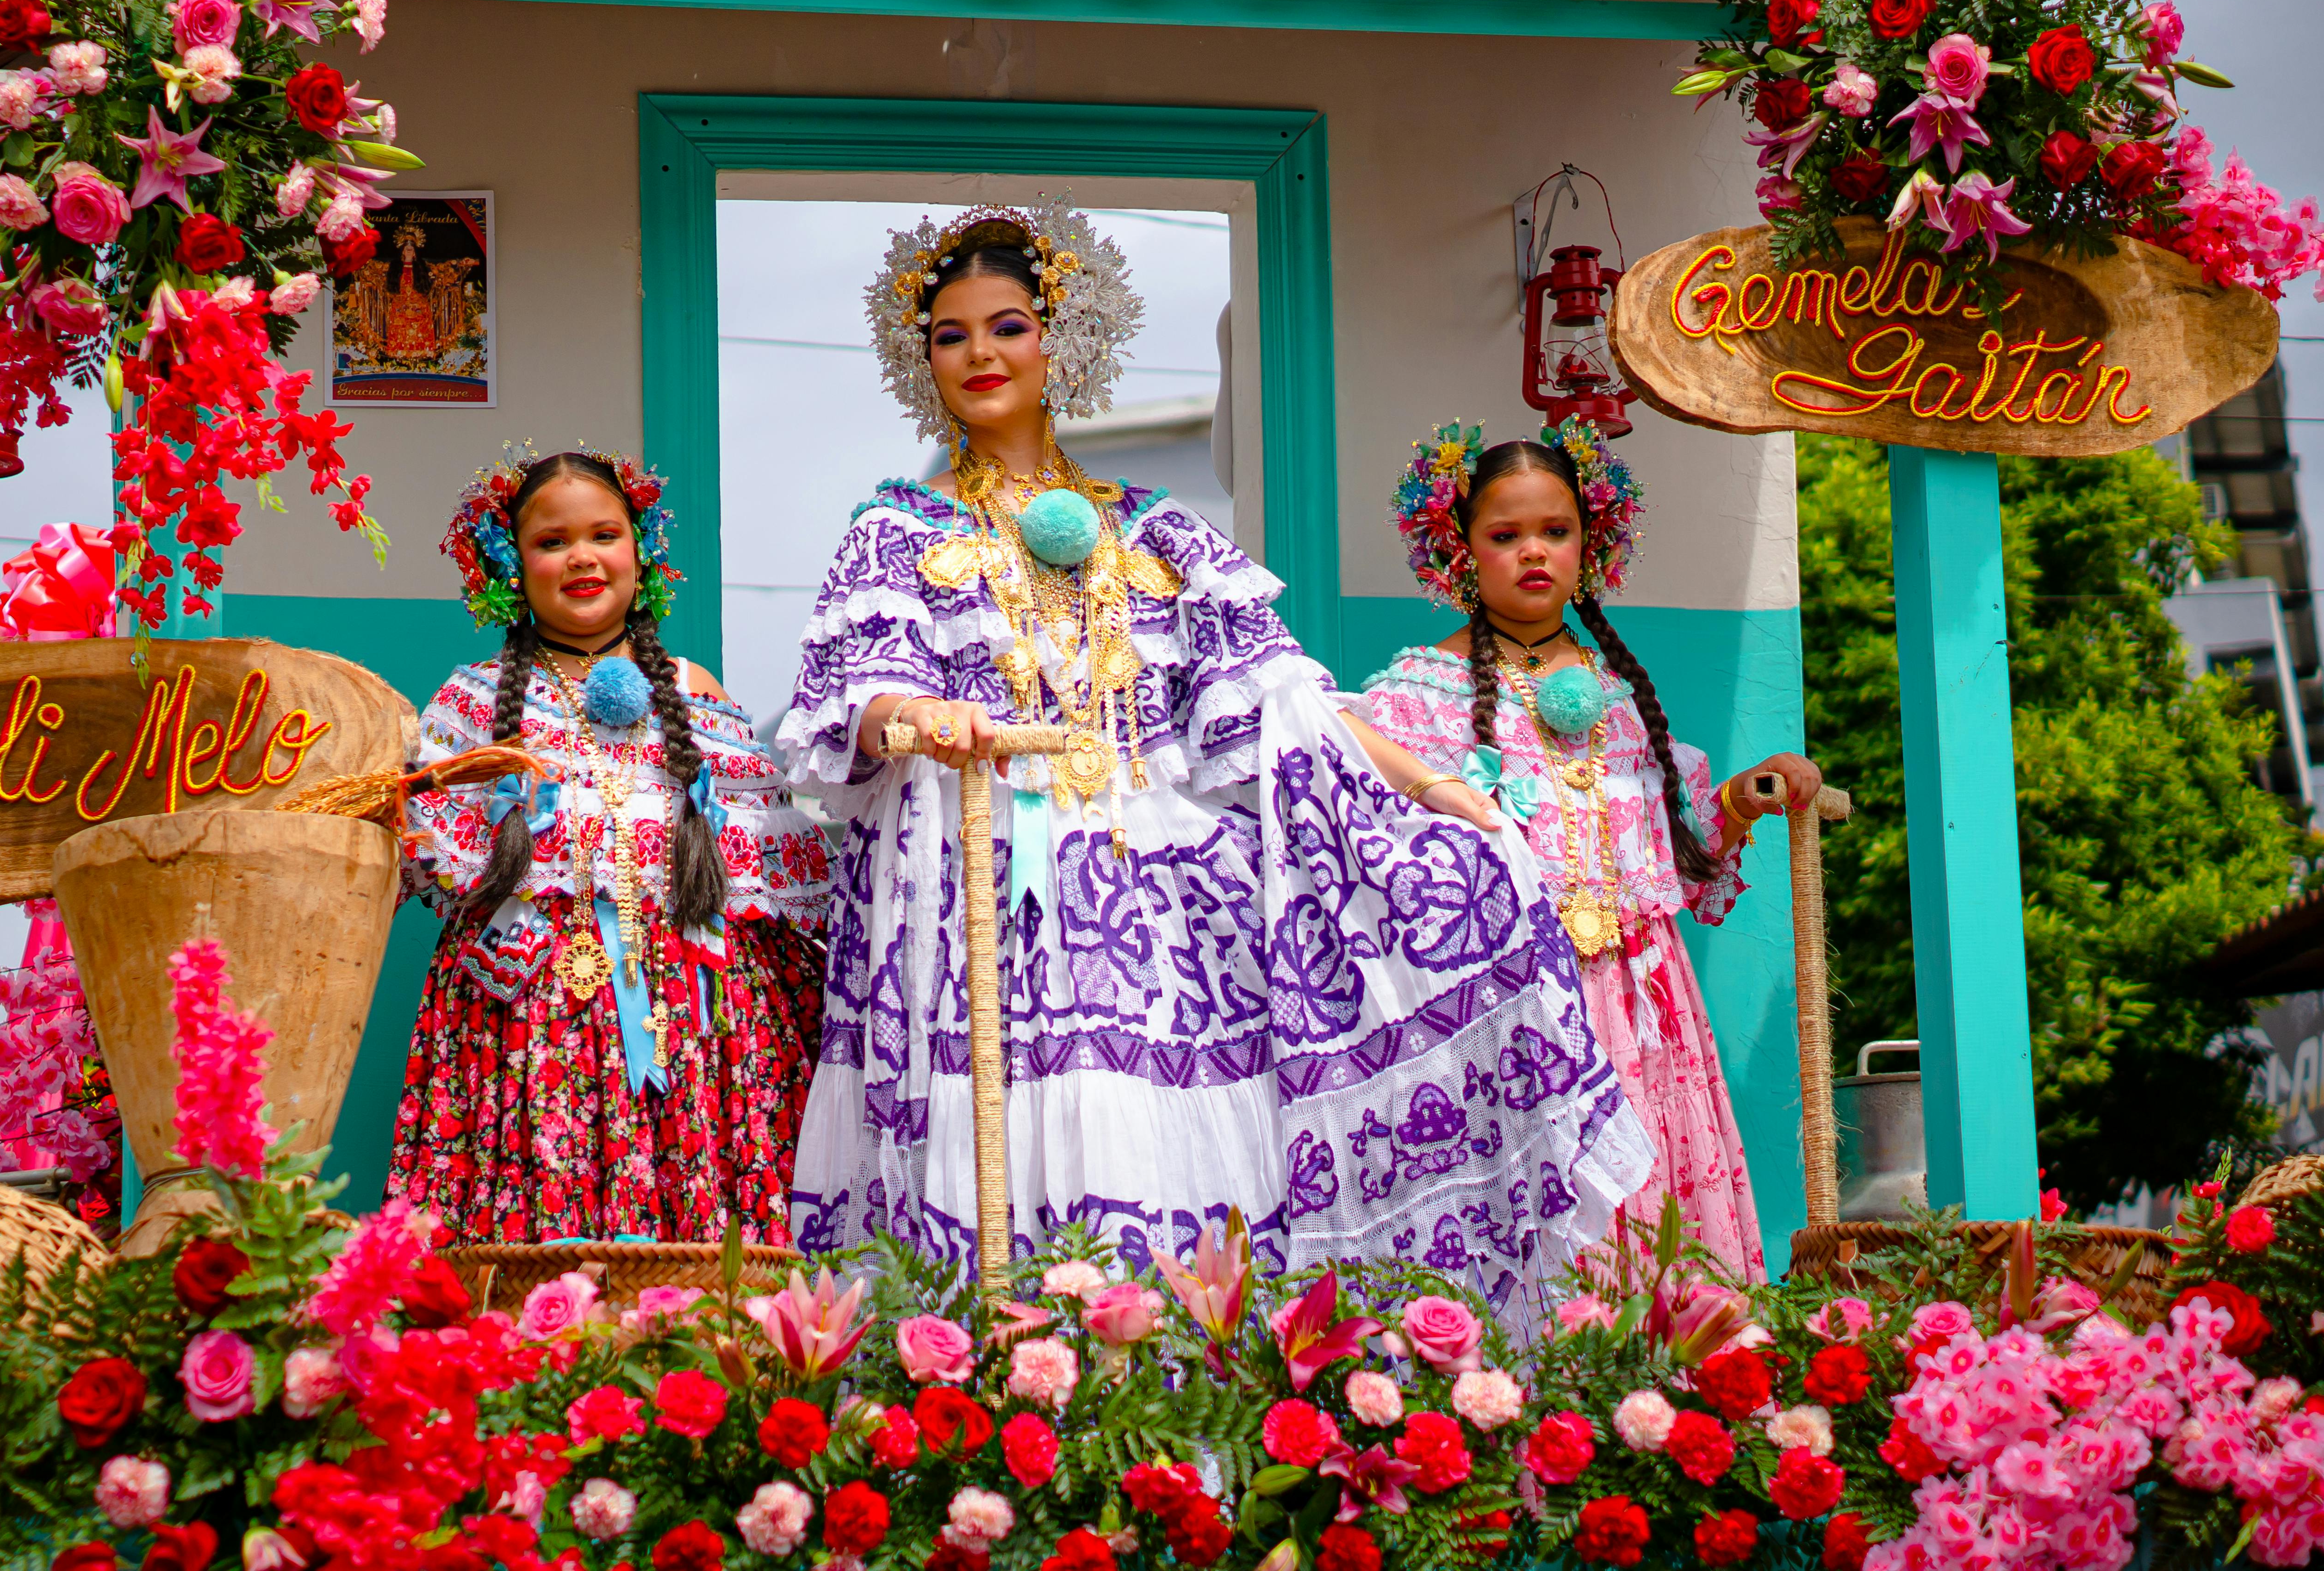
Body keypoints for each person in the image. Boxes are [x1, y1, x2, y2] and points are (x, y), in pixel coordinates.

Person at [779, 202, 1656, 1305]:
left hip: (1160, 909)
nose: (980, 355)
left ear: (1063, 339)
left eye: (1006, 325)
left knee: (1167, 1147)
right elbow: (853, 699)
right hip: (986, 890)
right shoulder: (893, 532)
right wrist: (921, 713)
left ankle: (1173, 1436)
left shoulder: (1157, 528)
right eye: (950, 336)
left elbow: (1289, 700)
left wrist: (1433, 788)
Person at [1360, 422, 1820, 1279]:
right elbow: (1360, 804)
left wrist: (1742, 798)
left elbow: (1676, 847)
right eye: (1505, 536)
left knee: (1657, 1236)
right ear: (1457, 550)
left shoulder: (1622, 696)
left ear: (1590, 541)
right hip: (1516, 1005)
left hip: (1647, 1006)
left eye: (1556, 531)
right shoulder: (1417, 694)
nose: (1534, 553)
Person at [388, 449, 831, 1247]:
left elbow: (770, 870)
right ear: (509, 564)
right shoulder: (472, 702)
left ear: (641, 549)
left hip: (700, 1025)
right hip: (530, 1023)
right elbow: (417, 854)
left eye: (605, 535)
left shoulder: (698, 691)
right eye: (552, 542)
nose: (583, 557)